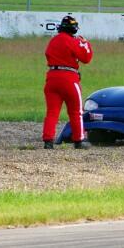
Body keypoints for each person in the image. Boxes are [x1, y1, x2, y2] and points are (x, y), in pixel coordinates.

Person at [42, 15, 93, 149]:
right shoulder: (74, 41)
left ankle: (48, 141)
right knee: (76, 111)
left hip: (52, 77)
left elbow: (47, 54)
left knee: (52, 112)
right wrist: (85, 43)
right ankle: (79, 140)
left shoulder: (53, 41)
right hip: (69, 78)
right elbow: (86, 58)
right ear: (74, 29)